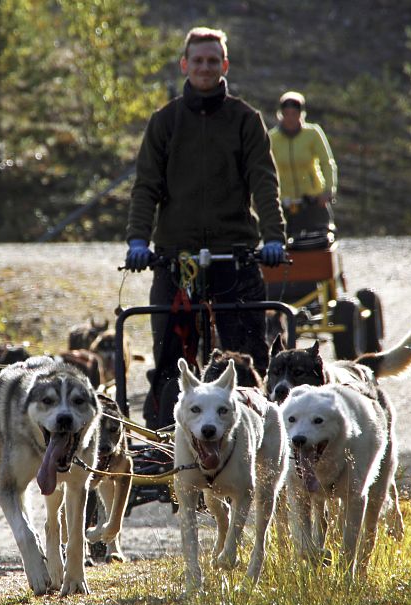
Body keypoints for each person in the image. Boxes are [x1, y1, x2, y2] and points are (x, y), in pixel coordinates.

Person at [124, 26, 286, 426]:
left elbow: (264, 182)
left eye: (213, 60)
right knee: (169, 360)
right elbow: (146, 186)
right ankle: (164, 443)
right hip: (176, 255)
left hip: (236, 252)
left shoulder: (246, 120)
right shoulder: (164, 122)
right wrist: (138, 240)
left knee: (247, 357)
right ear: (184, 64)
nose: (205, 67)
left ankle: (259, 438)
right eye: (197, 60)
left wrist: (274, 238)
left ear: (224, 65)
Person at [268, 91, 338, 245]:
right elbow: (266, 170)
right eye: (286, 114)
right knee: (286, 246)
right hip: (285, 203)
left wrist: (328, 191)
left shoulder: (312, 134)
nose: (290, 118)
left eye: (294, 113)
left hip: (313, 200)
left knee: (322, 243)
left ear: (301, 114)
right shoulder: (272, 138)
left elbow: (327, 162)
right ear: (280, 115)